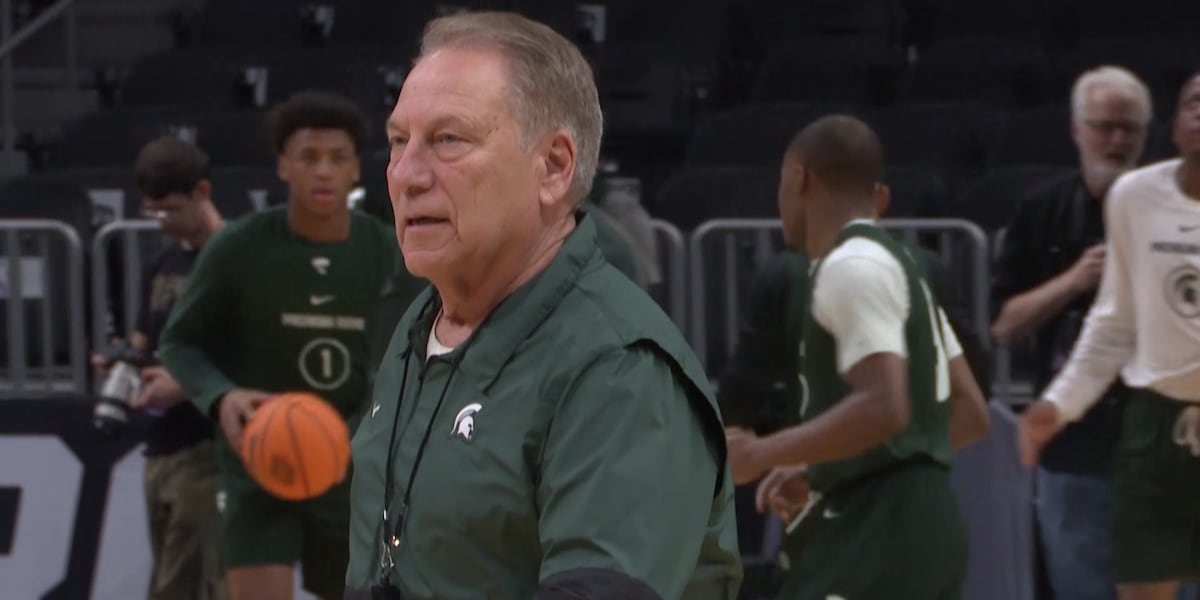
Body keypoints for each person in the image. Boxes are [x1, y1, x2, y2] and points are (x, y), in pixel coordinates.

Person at [345, 11, 742, 600]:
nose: (405, 175)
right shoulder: (420, 322)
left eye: (448, 140)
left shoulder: (618, 369)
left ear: (554, 167)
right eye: (399, 141)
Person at [159, 91, 423, 600]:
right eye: (308, 158)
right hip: (260, 461)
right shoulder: (238, 246)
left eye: (337, 159)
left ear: (356, 170)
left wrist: (366, 430)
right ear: (283, 166)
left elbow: (415, 362)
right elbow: (180, 342)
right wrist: (221, 396)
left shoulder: (392, 254)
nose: (323, 171)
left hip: (351, 470)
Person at [725, 115, 986, 600]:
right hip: (928, 526)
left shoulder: (849, 266)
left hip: (873, 533)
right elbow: (971, 413)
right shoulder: (906, 269)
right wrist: (826, 465)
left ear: (800, 178)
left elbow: (884, 406)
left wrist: (761, 453)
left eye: (782, 183)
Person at [1019, 70, 1200, 600]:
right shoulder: (1135, 197)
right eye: (1193, 101)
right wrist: (1059, 404)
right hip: (1156, 422)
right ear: (1173, 127)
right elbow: (1114, 321)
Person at [991, 65, 1153, 600]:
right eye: (1104, 126)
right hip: (1075, 452)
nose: (1116, 140)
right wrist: (1074, 280)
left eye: (1129, 128)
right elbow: (1004, 327)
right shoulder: (1040, 210)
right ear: (1076, 129)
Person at [91, 136, 227, 600]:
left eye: (171, 210)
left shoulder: (236, 258)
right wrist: (119, 365)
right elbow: (142, 342)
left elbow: (257, 354)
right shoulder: (159, 264)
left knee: (186, 586)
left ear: (201, 193)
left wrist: (186, 387)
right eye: (154, 213)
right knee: (175, 581)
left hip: (212, 450)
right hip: (160, 449)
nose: (164, 223)